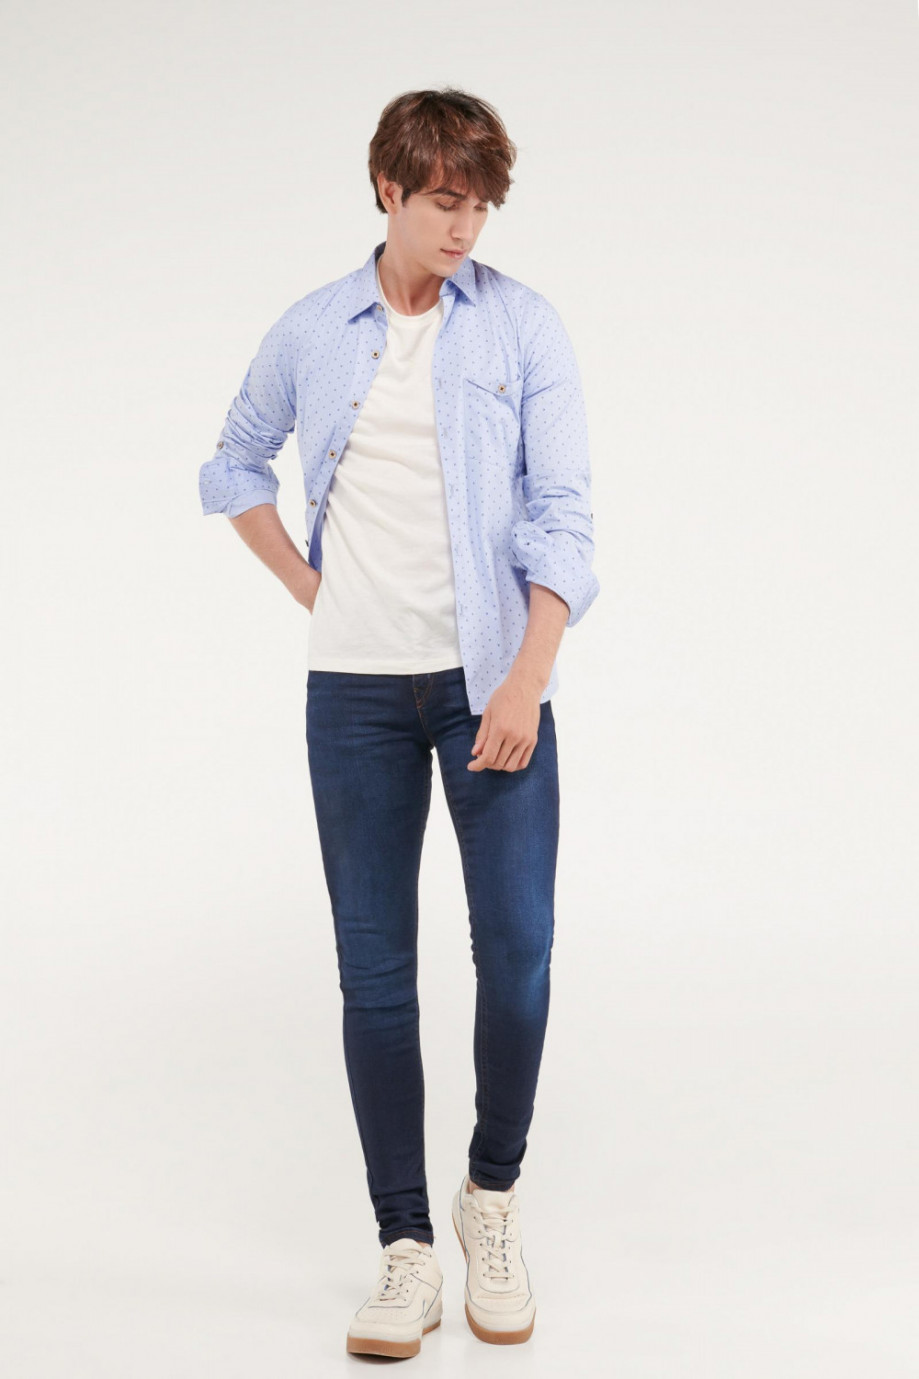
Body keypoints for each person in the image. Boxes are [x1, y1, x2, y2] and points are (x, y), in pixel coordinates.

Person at [198, 86, 599, 1359]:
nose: (463, 225)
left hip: (491, 685)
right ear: (388, 189)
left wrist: (525, 678)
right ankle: (406, 1247)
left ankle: (492, 1193)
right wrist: (306, 585)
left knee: (519, 952)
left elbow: (565, 517)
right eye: (442, 200)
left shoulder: (523, 325)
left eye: (479, 204)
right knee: (374, 973)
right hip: (355, 693)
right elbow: (232, 462)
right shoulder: (316, 328)